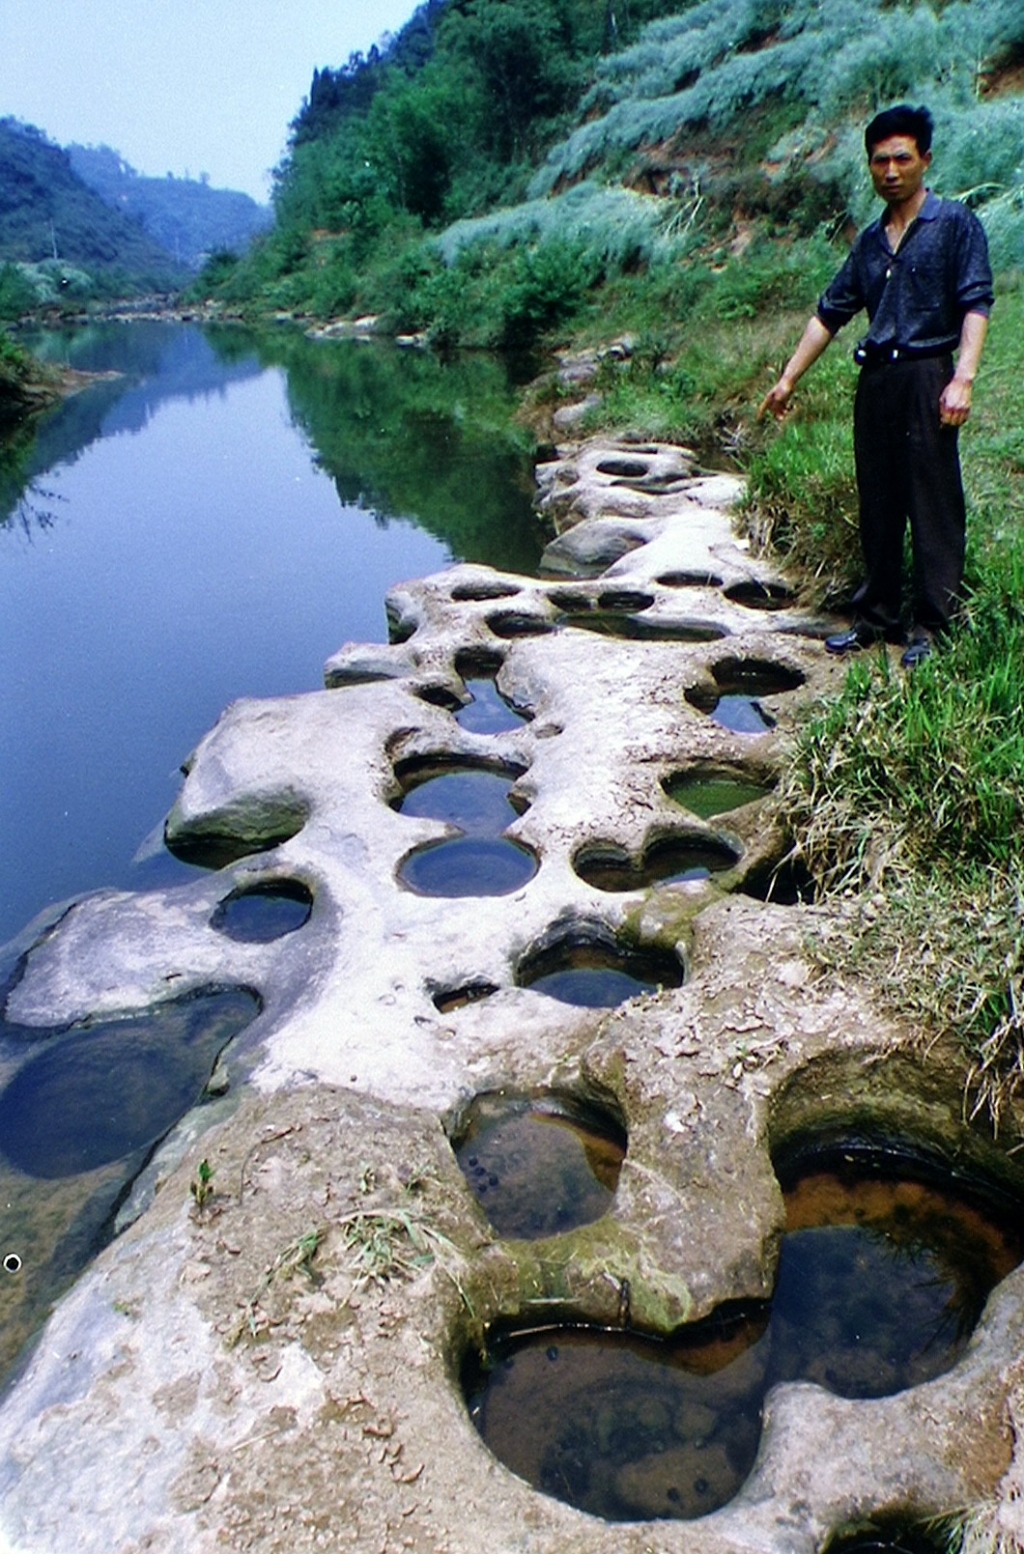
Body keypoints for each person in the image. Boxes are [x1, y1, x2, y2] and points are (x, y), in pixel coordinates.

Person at [759, 103, 994, 667]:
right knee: (880, 503)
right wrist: (788, 379)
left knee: (933, 503)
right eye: (879, 161)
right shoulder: (868, 243)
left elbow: (976, 303)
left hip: (928, 375)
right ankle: (877, 616)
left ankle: (933, 626)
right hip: (878, 381)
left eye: (902, 159)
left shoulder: (955, 224)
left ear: (924, 160)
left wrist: (963, 378)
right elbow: (829, 314)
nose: (890, 171)